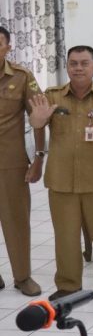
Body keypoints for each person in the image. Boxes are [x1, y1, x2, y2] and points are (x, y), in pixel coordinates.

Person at [29, 46, 93, 300]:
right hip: (62, 180)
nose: (78, 68)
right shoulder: (52, 96)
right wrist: (38, 121)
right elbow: (37, 125)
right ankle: (68, 284)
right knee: (65, 237)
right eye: (73, 63)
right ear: (67, 67)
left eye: (84, 63)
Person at [0, 27, 43, 296]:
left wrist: (39, 157)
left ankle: (22, 276)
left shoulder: (22, 76)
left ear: (8, 46)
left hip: (10, 161)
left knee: (16, 221)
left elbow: (38, 116)